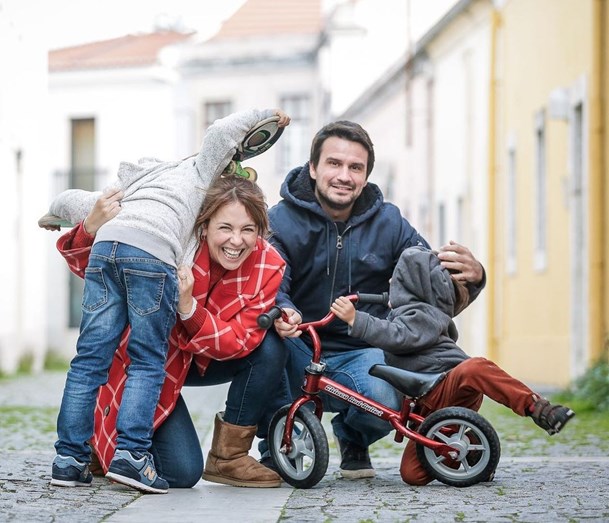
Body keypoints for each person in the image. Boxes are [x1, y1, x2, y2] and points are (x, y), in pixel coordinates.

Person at [46, 108, 290, 493]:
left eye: (248, 230)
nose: (236, 240)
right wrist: (88, 226)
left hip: (211, 355)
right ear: (203, 224)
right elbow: (96, 235)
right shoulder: (178, 240)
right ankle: (109, 448)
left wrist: (189, 308)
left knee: (271, 346)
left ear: (261, 230)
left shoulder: (268, 264)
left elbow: (239, 341)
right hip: (166, 363)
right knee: (180, 470)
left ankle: (229, 456)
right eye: (224, 227)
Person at [257, 120, 486, 479]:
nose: (344, 175)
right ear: (313, 168)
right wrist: (284, 309)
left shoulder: (390, 222)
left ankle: (352, 436)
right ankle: (274, 447)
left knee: (384, 400)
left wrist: (473, 278)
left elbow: (430, 284)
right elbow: (271, 282)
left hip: (364, 346)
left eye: (355, 167)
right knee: (264, 355)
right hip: (300, 341)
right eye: (334, 163)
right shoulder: (279, 221)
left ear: (365, 176)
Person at [331, 245, 576, 485]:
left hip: (446, 384)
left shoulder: (422, 314)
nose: (389, 287)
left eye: (396, 282)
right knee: (412, 474)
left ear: (411, 288)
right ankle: (474, 454)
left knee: (474, 367)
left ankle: (539, 408)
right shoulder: (406, 312)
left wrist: (356, 319)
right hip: (427, 405)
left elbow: (398, 335)